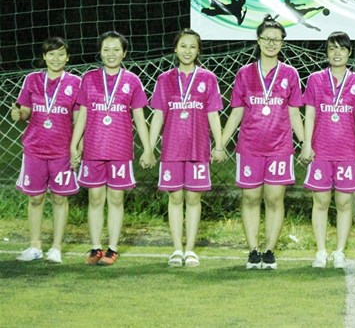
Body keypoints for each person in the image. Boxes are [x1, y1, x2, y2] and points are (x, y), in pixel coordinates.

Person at [220, 16, 305, 270]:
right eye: (267, 39)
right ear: (258, 41)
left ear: (282, 43)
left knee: (275, 198)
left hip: (280, 148)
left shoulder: (290, 74)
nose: (271, 43)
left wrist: (305, 142)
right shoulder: (244, 73)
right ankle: (253, 250)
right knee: (250, 197)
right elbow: (236, 112)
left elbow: (294, 113)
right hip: (249, 147)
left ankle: (269, 250)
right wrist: (220, 143)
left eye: (276, 40)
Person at [70, 31, 155, 266]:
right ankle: (95, 247)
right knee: (95, 198)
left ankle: (113, 248)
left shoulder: (132, 81)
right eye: (106, 49)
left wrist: (148, 148)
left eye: (116, 49)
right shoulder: (89, 78)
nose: (111, 54)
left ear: (124, 53)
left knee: (116, 198)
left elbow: (139, 118)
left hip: (120, 150)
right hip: (94, 149)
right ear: (100, 52)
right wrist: (74, 144)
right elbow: (83, 114)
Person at [149, 29, 224, 267]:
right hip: (171, 149)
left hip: (198, 148)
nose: (187, 51)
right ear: (175, 49)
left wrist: (219, 144)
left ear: (198, 50)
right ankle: (176, 249)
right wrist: (149, 147)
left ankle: (190, 249)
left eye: (192, 46)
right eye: (183, 46)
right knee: (175, 197)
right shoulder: (164, 79)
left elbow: (213, 114)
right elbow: (158, 115)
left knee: (193, 197)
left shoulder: (208, 78)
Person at [300, 31, 355, 268]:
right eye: (332, 48)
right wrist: (307, 144)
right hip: (321, 151)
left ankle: (339, 251)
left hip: (347, 152)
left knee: (344, 203)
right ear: (327, 52)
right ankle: (321, 251)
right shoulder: (315, 79)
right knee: (320, 201)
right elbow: (309, 115)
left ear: (349, 53)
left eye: (341, 49)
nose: (337, 53)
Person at [12, 37, 81, 264]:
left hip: (62, 151)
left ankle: (56, 248)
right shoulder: (32, 80)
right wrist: (18, 114)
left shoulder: (75, 83)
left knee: (60, 198)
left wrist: (77, 147)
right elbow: (25, 112)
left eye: (61, 54)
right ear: (44, 57)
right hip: (34, 148)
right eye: (51, 54)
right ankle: (35, 246)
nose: (56, 58)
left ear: (67, 57)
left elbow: (78, 119)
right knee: (36, 198)